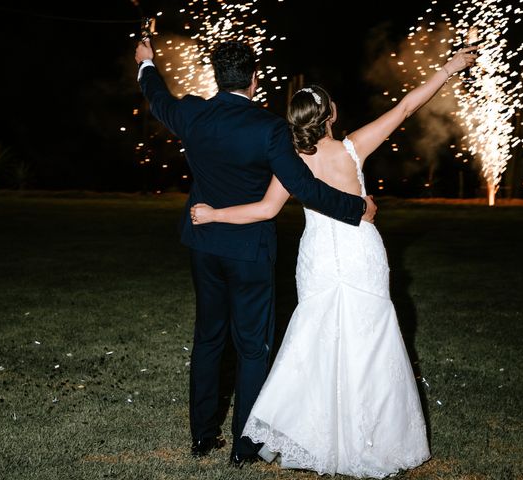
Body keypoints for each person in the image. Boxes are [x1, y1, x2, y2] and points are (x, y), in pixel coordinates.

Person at [189, 47, 478, 477]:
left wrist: (213, 214)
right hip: (361, 252)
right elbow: (406, 106)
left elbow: (265, 211)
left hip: (319, 257)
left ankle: (312, 434)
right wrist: (450, 69)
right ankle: (373, 437)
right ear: (331, 114)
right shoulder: (354, 147)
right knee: (370, 338)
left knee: (316, 337)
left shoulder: (291, 161)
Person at [134, 39, 377, 467]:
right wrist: (356, 208)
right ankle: (244, 449)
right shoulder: (268, 129)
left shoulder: (192, 114)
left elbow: (156, 98)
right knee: (252, 347)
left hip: (204, 244)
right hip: (249, 251)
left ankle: (201, 438)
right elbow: (303, 187)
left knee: (208, 338)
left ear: (216, 77)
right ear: (254, 79)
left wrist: (147, 63)